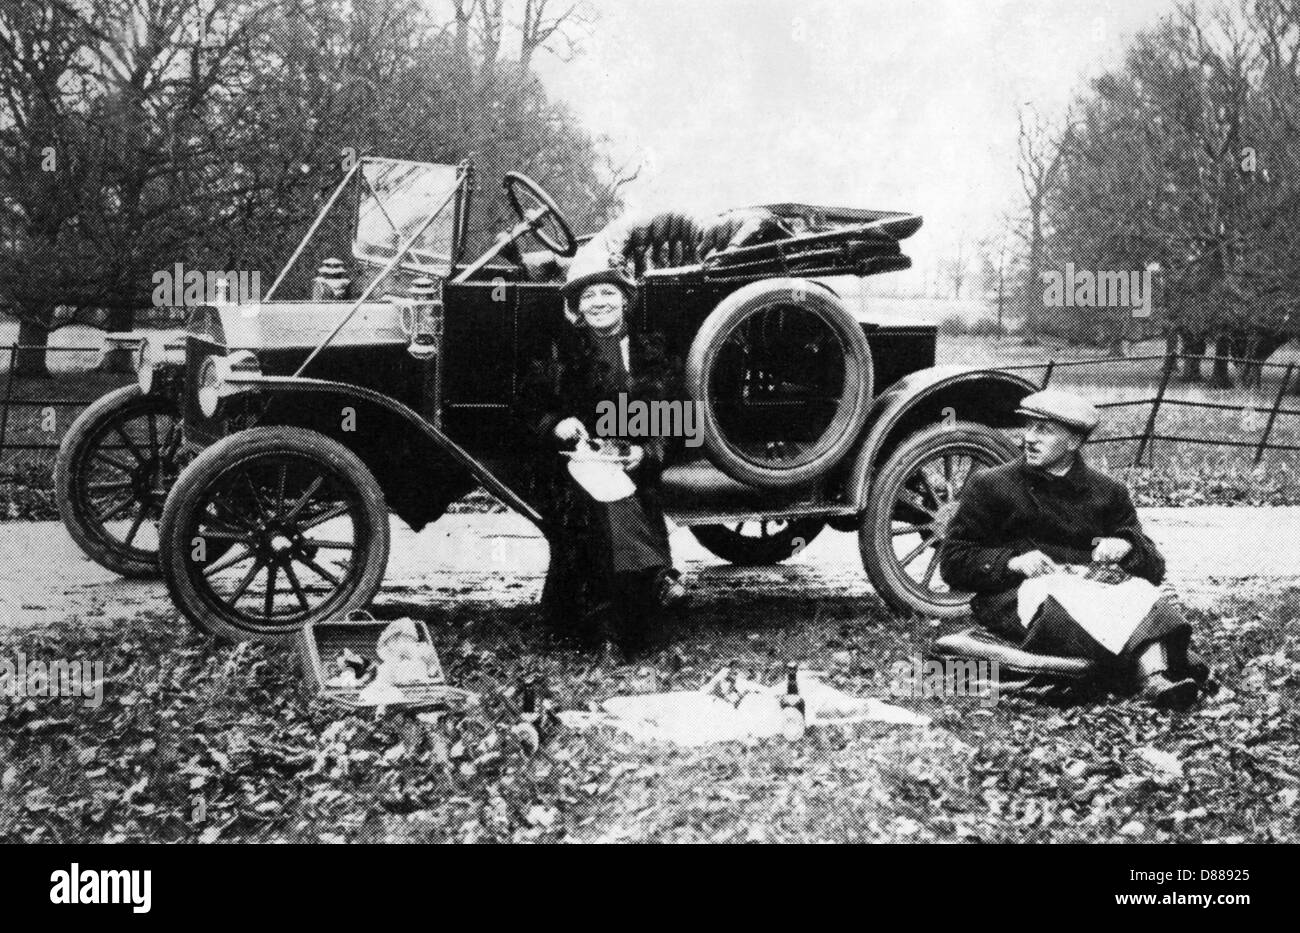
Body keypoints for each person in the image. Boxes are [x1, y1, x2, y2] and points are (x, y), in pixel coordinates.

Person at [938, 389, 1210, 709]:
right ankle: (1154, 672)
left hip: (1090, 588)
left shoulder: (1107, 492)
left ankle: (1155, 680)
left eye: (1045, 430)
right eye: (1029, 427)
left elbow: (1154, 568)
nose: (1030, 438)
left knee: (1144, 595)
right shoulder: (992, 485)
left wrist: (1125, 546)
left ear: (1074, 442)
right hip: (1017, 596)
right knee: (1070, 611)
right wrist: (1014, 563)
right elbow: (953, 562)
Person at [518, 252, 686, 661]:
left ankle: (622, 626)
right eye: (588, 296)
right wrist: (557, 425)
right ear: (577, 307)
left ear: (625, 300)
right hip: (572, 464)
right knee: (601, 506)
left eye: (607, 292)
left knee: (623, 496)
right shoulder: (562, 351)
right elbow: (527, 407)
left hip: (631, 463)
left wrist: (644, 451)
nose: (599, 302)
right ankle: (640, 596)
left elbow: (677, 418)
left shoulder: (651, 350)